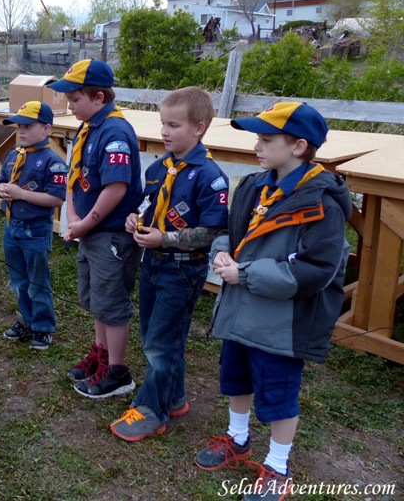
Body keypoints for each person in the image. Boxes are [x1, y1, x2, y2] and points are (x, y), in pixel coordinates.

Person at [194, 102, 352, 501]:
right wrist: (221, 252)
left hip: (283, 324)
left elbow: (318, 268)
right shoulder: (252, 185)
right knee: (236, 378)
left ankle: (278, 466)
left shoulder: (323, 203)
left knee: (278, 395)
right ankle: (237, 438)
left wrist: (243, 274)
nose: (257, 146)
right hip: (241, 314)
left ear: (299, 146)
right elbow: (232, 232)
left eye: (267, 139)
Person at [109, 86, 229, 441]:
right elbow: (148, 206)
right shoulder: (159, 168)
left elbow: (213, 230)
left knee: (161, 341)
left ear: (199, 128)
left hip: (182, 269)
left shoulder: (210, 176)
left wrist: (167, 239)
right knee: (154, 335)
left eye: (174, 125)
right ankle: (173, 396)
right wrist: (134, 219)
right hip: (154, 264)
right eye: (163, 124)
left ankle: (151, 410)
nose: (164, 132)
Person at [49, 59, 143, 399]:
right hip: (91, 231)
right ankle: (101, 355)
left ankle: (117, 372)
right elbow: (76, 179)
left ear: (99, 97)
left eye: (75, 100)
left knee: (112, 301)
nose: (70, 106)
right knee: (97, 299)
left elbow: (115, 188)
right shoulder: (89, 126)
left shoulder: (114, 132)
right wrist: (72, 215)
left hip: (110, 234)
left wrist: (84, 224)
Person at [0, 101, 68, 350]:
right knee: (18, 279)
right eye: (19, 126)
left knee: (37, 280)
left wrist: (20, 194)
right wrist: (3, 189)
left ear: (47, 128)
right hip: (12, 228)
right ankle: (26, 320)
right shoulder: (15, 154)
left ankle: (43, 326)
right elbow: (2, 180)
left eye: (28, 125)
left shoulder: (53, 162)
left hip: (35, 230)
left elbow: (57, 199)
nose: (22, 131)